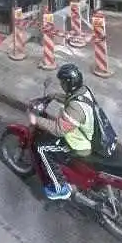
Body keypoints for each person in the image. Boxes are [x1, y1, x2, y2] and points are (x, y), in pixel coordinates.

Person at [30, 62, 94, 201]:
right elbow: (71, 99)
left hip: (78, 144)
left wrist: (36, 120)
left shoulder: (75, 109)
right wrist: (54, 96)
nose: (61, 85)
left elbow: (58, 130)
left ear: (69, 84)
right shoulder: (84, 91)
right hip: (84, 133)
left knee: (42, 148)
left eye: (63, 82)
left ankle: (60, 188)